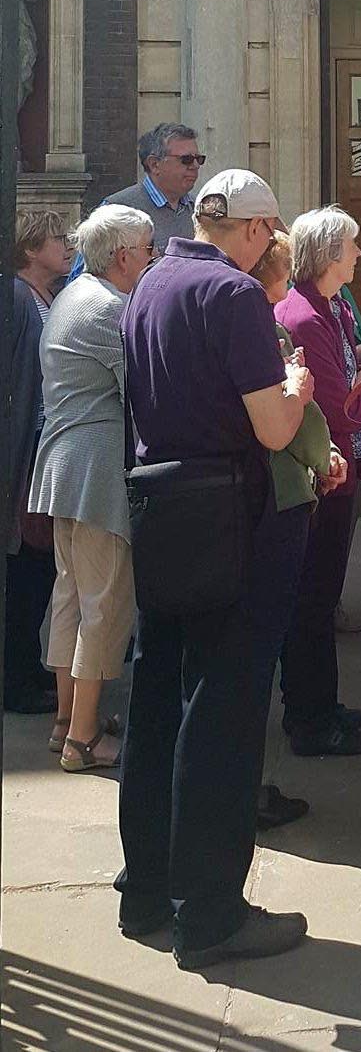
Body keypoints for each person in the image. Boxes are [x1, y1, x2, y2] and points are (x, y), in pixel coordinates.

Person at [115, 169, 314, 971]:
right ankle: (211, 915)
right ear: (259, 230)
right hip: (227, 513)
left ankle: (147, 893)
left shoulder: (152, 280)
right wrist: (296, 385)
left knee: (158, 698)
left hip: (158, 507)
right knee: (222, 714)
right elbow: (271, 428)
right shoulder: (231, 296)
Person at [28, 206, 152, 771]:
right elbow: (143, 389)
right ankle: (82, 741)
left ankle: (66, 721)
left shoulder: (74, 296)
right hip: (95, 469)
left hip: (62, 464)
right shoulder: (108, 307)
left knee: (71, 597)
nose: (151, 259)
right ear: (123, 255)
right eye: (147, 250)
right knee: (104, 605)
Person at [275, 207, 361, 757]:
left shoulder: (333, 307)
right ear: (326, 254)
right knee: (312, 599)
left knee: (322, 594)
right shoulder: (305, 317)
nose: (360, 254)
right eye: (351, 246)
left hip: (343, 470)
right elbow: (338, 407)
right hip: (324, 475)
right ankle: (310, 718)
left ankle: (323, 702)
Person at [250, 232, 348, 828]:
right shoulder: (281, 323)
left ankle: (318, 709)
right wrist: (326, 453)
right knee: (300, 611)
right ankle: (309, 718)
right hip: (285, 491)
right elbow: (300, 417)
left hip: (259, 497)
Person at [6, 210, 72, 715]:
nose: (67, 246)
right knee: (26, 566)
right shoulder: (15, 298)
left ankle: (25, 669)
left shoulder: (47, 297)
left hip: (44, 448)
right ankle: (16, 678)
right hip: (26, 452)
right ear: (31, 250)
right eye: (57, 240)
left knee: (39, 564)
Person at [70, 127, 202, 280]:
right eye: (186, 160)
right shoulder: (117, 210)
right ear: (154, 164)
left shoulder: (199, 209)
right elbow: (81, 277)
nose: (195, 166)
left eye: (199, 159)